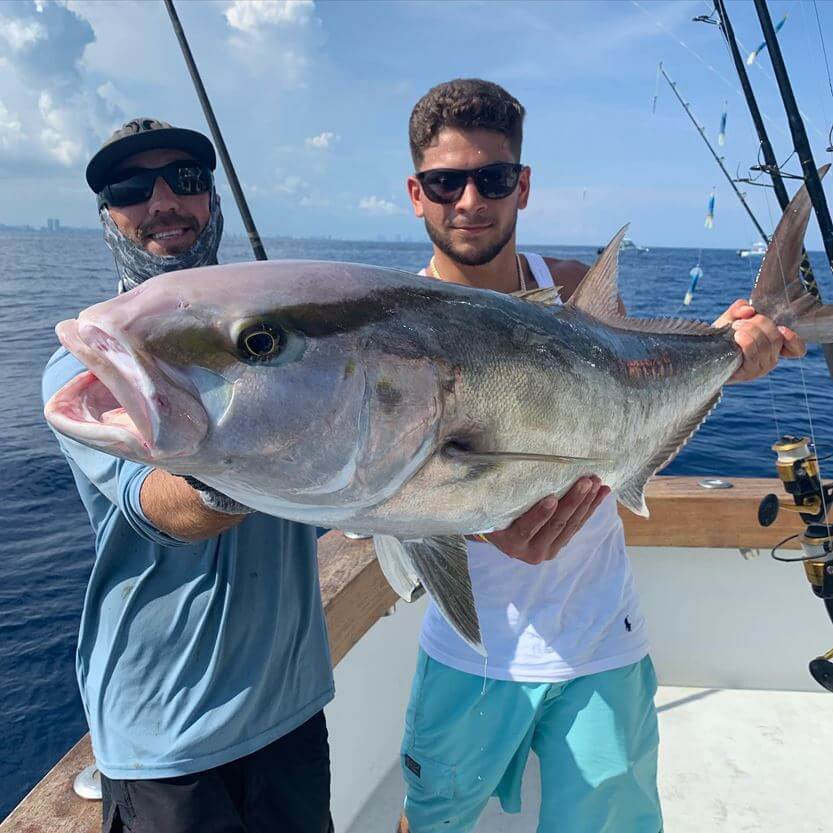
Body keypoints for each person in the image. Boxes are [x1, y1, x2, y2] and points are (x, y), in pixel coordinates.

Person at [397, 79, 805, 833]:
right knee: (429, 822)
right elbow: (389, 481)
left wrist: (730, 346)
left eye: (490, 179)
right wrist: (480, 524)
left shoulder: (574, 289)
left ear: (521, 186)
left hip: (599, 639)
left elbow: (645, 377)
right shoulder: (398, 329)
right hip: (469, 647)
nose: (468, 201)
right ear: (415, 193)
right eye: (446, 182)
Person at [42, 118, 334, 833]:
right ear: (108, 216)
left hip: (290, 709)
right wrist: (266, 443)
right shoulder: (90, 373)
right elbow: (167, 507)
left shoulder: (288, 329)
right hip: (169, 739)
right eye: (130, 188)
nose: (162, 201)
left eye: (187, 180)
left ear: (212, 200)